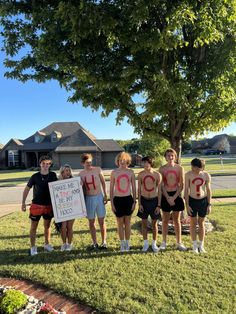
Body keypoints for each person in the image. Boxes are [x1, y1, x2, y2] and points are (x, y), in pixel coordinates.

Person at [21, 155, 57, 256]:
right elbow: (27, 189)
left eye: (48, 164)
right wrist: (23, 202)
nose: (45, 165)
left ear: (50, 164)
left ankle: (47, 244)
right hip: (36, 205)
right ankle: (33, 247)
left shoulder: (53, 175)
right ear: (40, 164)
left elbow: (60, 187)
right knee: (33, 227)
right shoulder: (35, 176)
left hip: (48, 205)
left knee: (47, 226)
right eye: (43, 163)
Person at [159, 148, 187, 251]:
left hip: (176, 195)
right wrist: (167, 197)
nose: (170, 157)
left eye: (172, 156)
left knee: (177, 221)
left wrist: (174, 197)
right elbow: (161, 185)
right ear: (165, 157)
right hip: (166, 195)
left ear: (175, 157)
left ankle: (179, 242)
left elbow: (182, 185)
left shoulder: (180, 168)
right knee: (165, 220)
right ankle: (164, 242)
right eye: (168, 156)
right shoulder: (162, 169)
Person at [79, 153, 107, 250]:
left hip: (99, 196)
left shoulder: (98, 169)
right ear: (83, 163)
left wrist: (105, 195)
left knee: (101, 220)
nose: (89, 164)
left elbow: (103, 182)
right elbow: (80, 188)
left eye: (90, 162)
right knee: (91, 221)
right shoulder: (81, 174)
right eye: (87, 163)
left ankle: (104, 242)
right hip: (89, 198)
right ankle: (94, 242)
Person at [110, 152, 136, 252]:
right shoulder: (114, 173)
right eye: (120, 160)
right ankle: (122, 244)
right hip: (117, 200)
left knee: (128, 223)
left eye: (124, 160)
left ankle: (127, 243)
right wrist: (112, 203)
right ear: (118, 161)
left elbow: (134, 188)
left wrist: (134, 202)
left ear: (128, 161)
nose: (122, 162)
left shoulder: (131, 172)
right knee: (120, 223)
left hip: (128, 199)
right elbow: (111, 189)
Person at [184, 158, 212, 253]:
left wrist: (209, 204)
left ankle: (201, 245)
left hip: (203, 201)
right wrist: (187, 205)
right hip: (192, 201)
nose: (194, 169)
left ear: (201, 167)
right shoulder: (188, 174)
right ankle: (194, 246)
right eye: (193, 167)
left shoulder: (206, 175)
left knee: (201, 223)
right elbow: (186, 190)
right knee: (192, 223)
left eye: (196, 167)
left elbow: (208, 190)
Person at [137, 156, 162, 253]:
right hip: (144, 200)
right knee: (144, 223)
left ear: (151, 163)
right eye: (143, 163)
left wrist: (159, 205)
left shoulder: (157, 175)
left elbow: (159, 191)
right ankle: (145, 243)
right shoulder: (140, 175)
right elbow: (139, 190)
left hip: (154, 201)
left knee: (154, 224)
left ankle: (154, 243)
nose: (145, 165)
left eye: (147, 163)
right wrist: (140, 204)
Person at [58, 164, 75, 252]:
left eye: (69, 170)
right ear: (62, 172)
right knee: (63, 227)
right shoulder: (57, 182)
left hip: (72, 207)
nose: (67, 172)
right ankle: (64, 243)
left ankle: (69, 244)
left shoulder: (74, 181)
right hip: (62, 208)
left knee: (69, 226)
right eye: (66, 170)